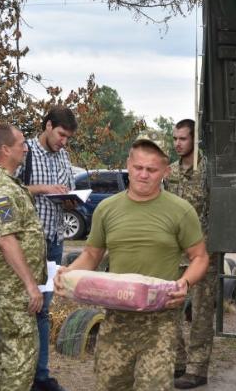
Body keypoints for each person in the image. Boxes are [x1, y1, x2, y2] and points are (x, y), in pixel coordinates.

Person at [54, 137, 210, 391]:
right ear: (128, 164)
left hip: (160, 322)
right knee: (110, 386)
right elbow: (92, 254)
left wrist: (185, 282)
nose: (143, 175)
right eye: (138, 168)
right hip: (116, 319)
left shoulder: (180, 210)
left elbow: (200, 257)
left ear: (165, 171)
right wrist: (69, 274)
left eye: (152, 170)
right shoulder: (107, 209)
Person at [0, 124, 47, 391]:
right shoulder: (1, 189)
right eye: (21, 144)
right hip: (12, 285)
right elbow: (6, 239)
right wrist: (30, 285)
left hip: (6, 282)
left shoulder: (3, 182)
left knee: (6, 347)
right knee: (21, 353)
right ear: (5, 150)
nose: (26, 148)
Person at [18, 105, 77, 391]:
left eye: (68, 138)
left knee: (43, 308)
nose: (64, 142)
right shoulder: (23, 151)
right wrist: (41, 188)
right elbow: (6, 189)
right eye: (61, 135)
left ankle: (40, 377)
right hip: (29, 244)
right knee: (24, 307)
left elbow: (66, 191)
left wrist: (70, 200)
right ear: (49, 125)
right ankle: (21, 374)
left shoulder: (64, 156)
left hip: (54, 241)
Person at [165, 120, 215, 389]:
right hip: (174, 251)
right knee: (170, 307)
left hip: (202, 251)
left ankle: (197, 368)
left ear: (194, 141)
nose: (177, 143)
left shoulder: (208, 170)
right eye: (175, 138)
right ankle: (179, 362)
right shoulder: (169, 171)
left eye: (182, 139)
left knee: (200, 313)